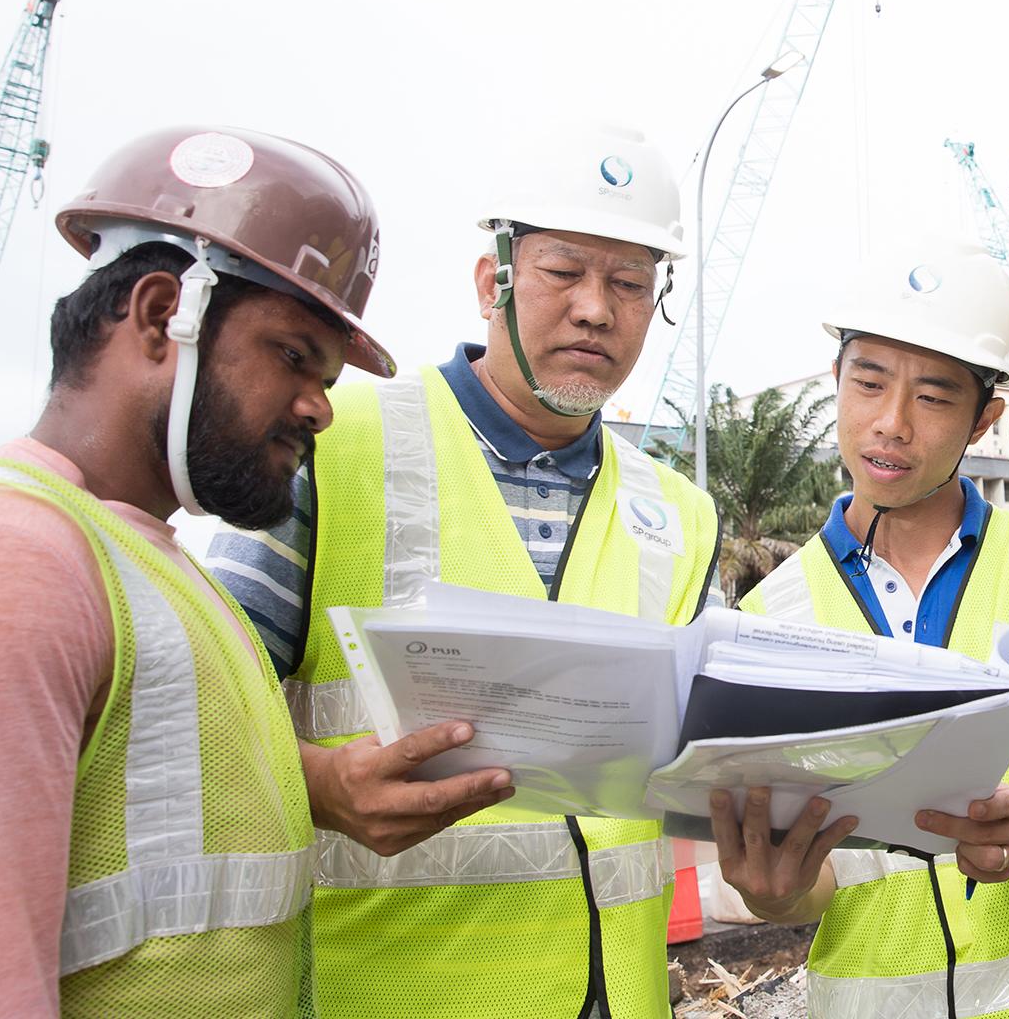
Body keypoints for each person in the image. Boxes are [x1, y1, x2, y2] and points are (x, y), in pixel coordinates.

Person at [0, 126, 497, 1016]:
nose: (320, 409)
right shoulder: (5, 566)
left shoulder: (152, 567)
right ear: (158, 317)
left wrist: (325, 785)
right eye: (294, 357)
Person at [209, 122, 722, 1018]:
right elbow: (198, 713)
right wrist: (322, 788)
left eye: (631, 283)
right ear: (496, 279)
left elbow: (708, 751)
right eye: (566, 272)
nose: (597, 309)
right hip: (391, 990)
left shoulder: (681, 515)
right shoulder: (330, 445)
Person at [715, 241, 1009, 1017]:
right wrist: (776, 893)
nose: (891, 424)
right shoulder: (771, 616)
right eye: (868, 383)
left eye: (935, 398)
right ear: (835, 384)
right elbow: (808, 877)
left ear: (985, 419)